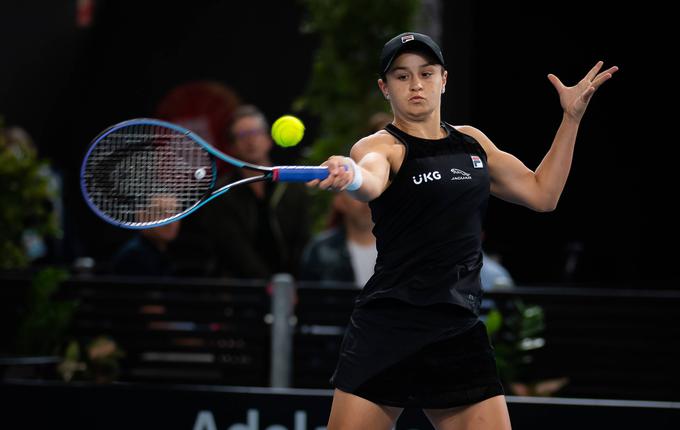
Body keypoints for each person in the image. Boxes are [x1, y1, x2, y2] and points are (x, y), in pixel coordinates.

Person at [306, 32, 617, 429]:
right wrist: (350, 175)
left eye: (426, 73)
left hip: (457, 328)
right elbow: (370, 178)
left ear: (444, 79)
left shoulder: (473, 143)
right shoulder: (380, 146)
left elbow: (543, 194)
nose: (416, 84)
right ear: (385, 88)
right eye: (401, 76)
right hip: (388, 329)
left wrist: (570, 119)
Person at [171, 104, 311, 279]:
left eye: (256, 133)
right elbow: (234, 250)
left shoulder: (292, 186)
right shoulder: (222, 194)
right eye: (243, 135)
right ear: (232, 147)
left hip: (294, 288)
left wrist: (292, 284)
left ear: (268, 139)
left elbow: (302, 241)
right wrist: (269, 284)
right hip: (242, 293)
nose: (251, 141)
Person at [299, 191, 376, 287]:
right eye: (355, 191)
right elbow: (308, 297)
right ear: (339, 201)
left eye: (371, 191)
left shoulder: (398, 248)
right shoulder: (319, 250)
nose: (365, 200)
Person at [111, 195, 181, 276]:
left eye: (175, 213)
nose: (171, 221)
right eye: (161, 213)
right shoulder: (133, 258)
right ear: (142, 216)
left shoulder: (162, 253)